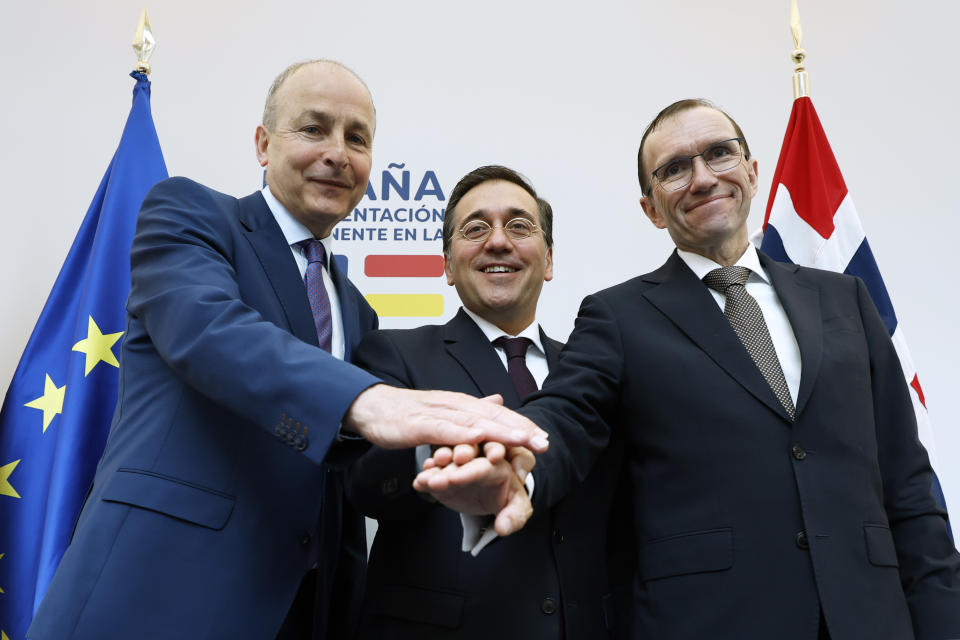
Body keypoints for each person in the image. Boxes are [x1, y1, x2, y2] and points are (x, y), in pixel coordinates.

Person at [26, 60, 546, 640]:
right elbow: (210, 331)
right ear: (263, 144)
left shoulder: (357, 308)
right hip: (154, 594)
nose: (337, 153)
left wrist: (449, 465)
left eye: (357, 138)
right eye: (313, 129)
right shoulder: (189, 214)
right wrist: (373, 402)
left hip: (300, 613)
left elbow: (343, 472)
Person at [417, 99, 960, 639]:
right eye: (674, 169)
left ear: (750, 172)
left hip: (870, 619)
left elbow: (908, 487)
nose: (702, 178)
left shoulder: (847, 299)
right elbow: (568, 415)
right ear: (652, 208)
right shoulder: (618, 316)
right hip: (710, 621)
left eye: (719, 154)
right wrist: (516, 462)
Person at [345, 165, 635, 639]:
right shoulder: (394, 352)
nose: (498, 242)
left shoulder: (595, 369)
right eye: (475, 228)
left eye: (519, 226)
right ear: (446, 265)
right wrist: (437, 453)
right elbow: (362, 482)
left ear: (549, 259)